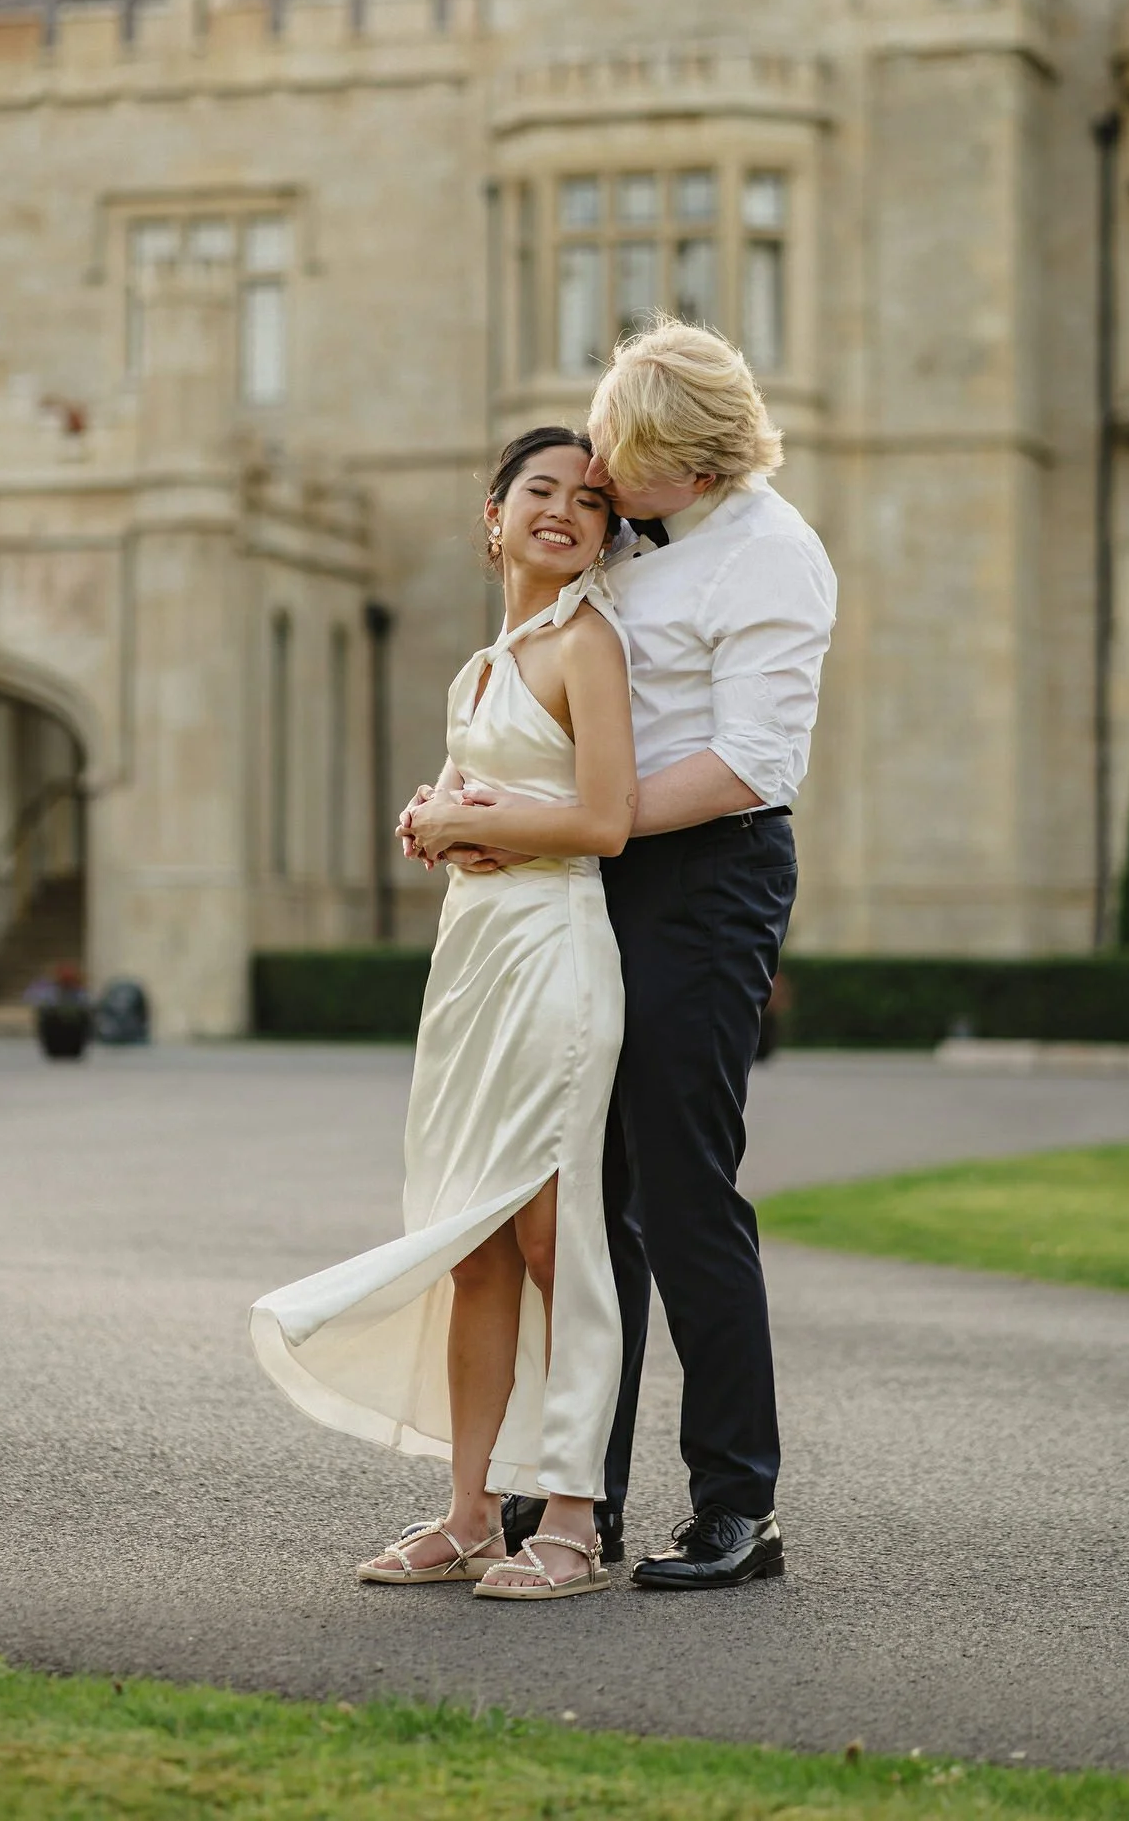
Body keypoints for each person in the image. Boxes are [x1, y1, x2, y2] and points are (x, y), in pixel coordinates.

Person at [417, 317, 836, 1591]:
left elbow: (751, 765)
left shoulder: (774, 557)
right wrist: (477, 802)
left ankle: (735, 1508)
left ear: (692, 465)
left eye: (619, 455)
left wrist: (551, 829)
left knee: (678, 1189)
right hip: (583, 876)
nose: (596, 471)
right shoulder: (633, 536)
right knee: (576, 1204)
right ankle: (569, 1509)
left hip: (707, 874)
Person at [250, 428, 638, 1600]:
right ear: (493, 516)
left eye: (588, 501)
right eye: (540, 490)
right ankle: (472, 1512)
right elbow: (504, 804)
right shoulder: (476, 671)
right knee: (474, 1244)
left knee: (552, 1241)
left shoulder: (589, 645)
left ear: (609, 536)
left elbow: (608, 822)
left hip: (556, 956)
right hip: (470, 960)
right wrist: (441, 822)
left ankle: (569, 1512)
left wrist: (465, 825)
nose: (563, 510)